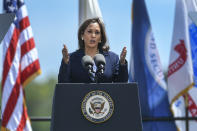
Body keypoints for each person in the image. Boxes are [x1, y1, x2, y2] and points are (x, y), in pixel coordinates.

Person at [58, 18, 128, 83]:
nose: (93, 35)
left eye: (97, 32)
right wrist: (65, 63)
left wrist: (122, 63)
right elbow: (63, 84)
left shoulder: (112, 58)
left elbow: (121, 85)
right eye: (89, 31)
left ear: (101, 38)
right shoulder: (71, 58)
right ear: (82, 35)